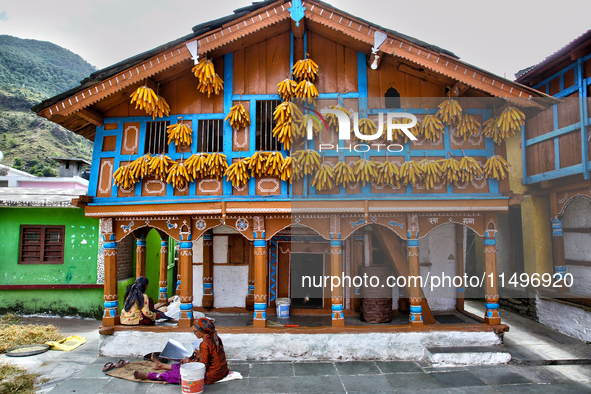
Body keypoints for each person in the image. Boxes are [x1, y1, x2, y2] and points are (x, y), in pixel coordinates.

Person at [134, 317, 229, 385]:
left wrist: (189, 362)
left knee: (178, 374)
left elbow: (202, 367)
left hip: (211, 375)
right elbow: (213, 356)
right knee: (183, 365)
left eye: (195, 331)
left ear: (202, 331)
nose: (194, 333)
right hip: (222, 370)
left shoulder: (205, 344)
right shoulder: (216, 338)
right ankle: (161, 365)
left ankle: (149, 376)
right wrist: (199, 356)